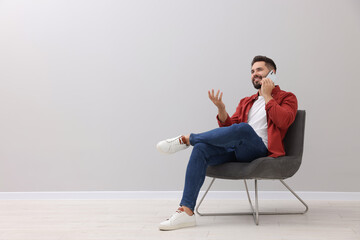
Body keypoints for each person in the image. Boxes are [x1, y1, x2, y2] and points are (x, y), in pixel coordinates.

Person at [156, 56, 298, 231]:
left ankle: (186, 139)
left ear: (272, 74)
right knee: (201, 149)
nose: (255, 74)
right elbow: (230, 130)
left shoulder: (287, 98)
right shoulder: (247, 102)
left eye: (259, 70)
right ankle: (186, 212)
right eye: (252, 71)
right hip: (237, 149)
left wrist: (268, 96)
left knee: (244, 129)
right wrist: (222, 110)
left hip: (261, 151)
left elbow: (283, 121)